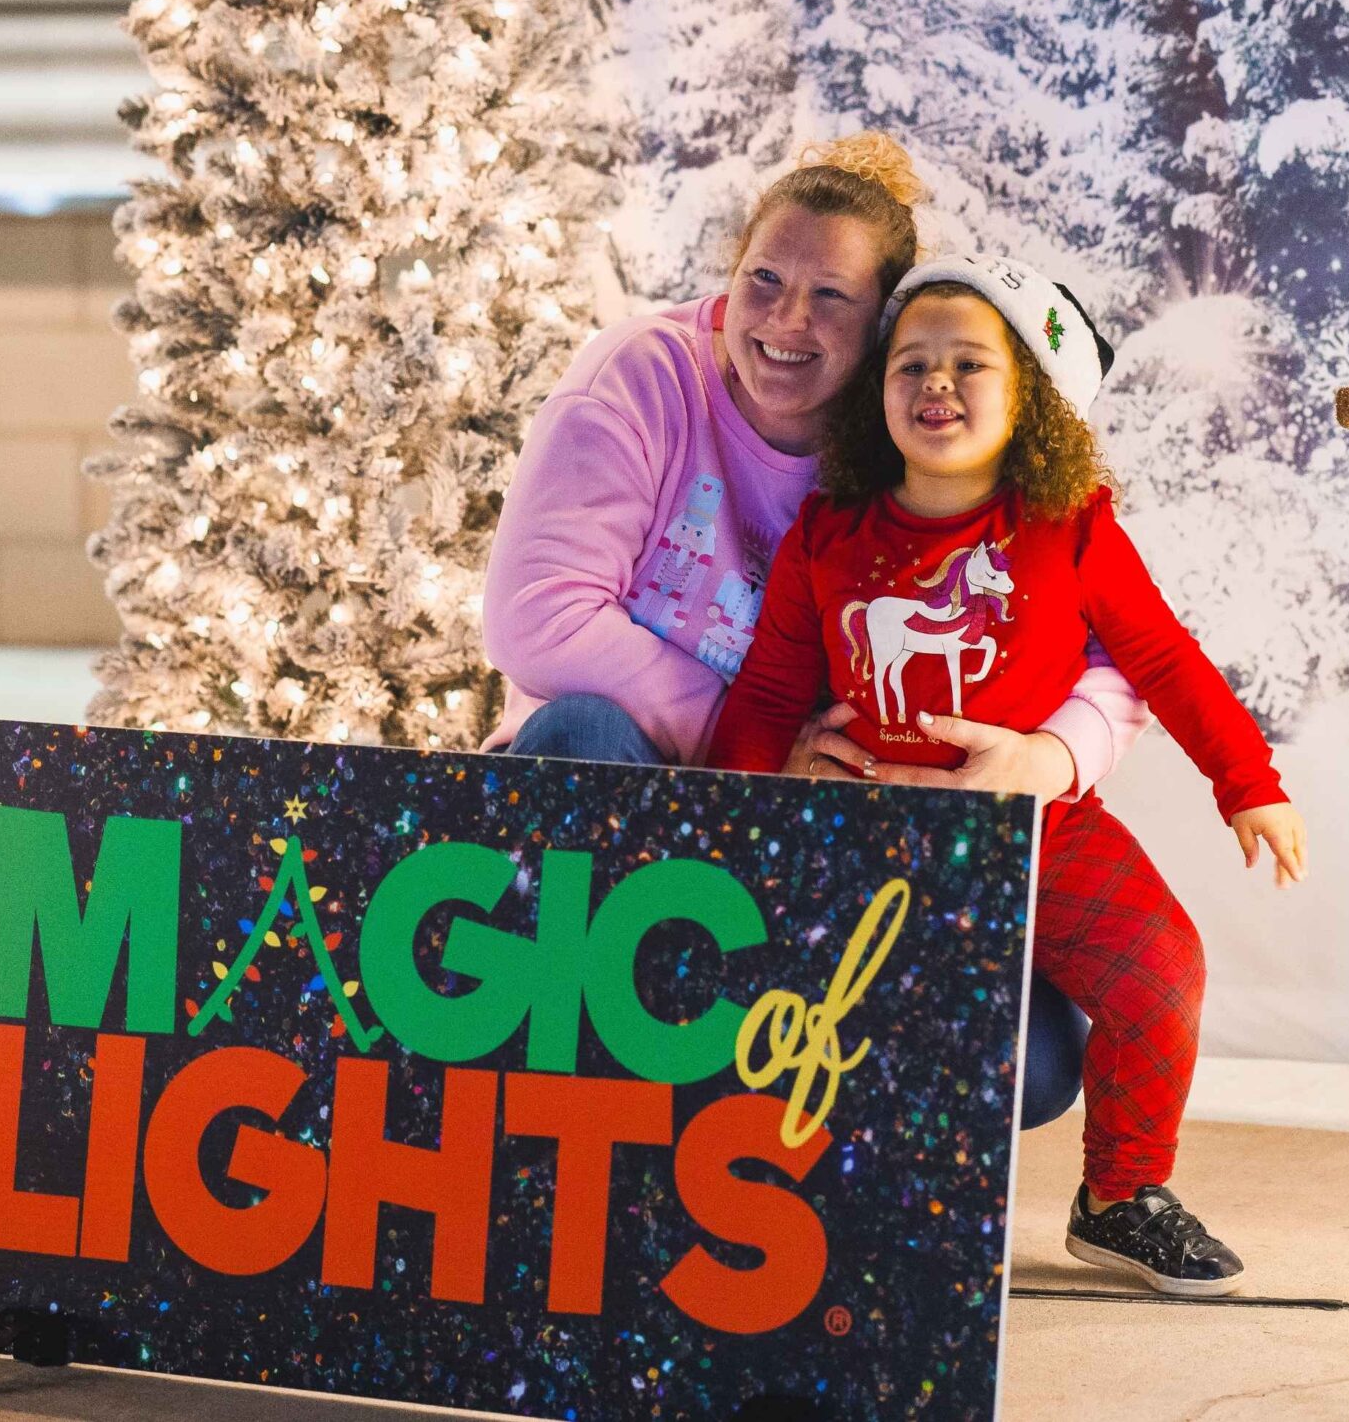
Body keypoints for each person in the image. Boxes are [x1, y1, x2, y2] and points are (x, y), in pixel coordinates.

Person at [481, 134, 1144, 1126]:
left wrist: (1050, 757)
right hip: (643, 806)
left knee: (1039, 1067)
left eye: (829, 297)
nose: (785, 320)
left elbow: (1118, 648)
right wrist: (754, 740)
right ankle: (597, 1107)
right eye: (764, 280)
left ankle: (745, 1072)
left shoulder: (933, 431)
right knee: (577, 735)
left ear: (883, 326)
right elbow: (534, 616)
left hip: (834, 830)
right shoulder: (644, 378)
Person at [705, 252, 1308, 1296]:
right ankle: (828, 1198)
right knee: (847, 1022)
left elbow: (1161, 657)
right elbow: (765, 693)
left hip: (1040, 829)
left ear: (1026, 394)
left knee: (1160, 969)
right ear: (876, 393)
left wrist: (1246, 780)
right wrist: (737, 829)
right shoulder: (829, 532)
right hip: (871, 838)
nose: (936, 383)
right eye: (911, 365)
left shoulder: (1069, 527)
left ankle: (1121, 1197)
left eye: (968, 364)